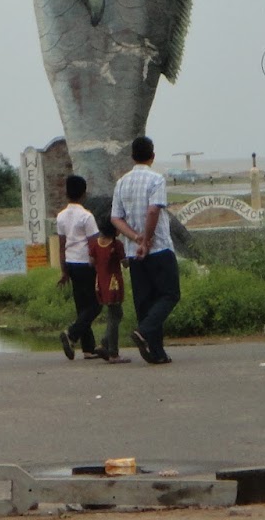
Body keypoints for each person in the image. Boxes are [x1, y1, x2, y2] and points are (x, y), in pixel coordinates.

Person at [111, 135, 179, 365]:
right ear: (152, 156)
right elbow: (153, 211)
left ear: (132, 157)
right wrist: (147, 241)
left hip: (133, 252)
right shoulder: (156, 179)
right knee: (169, 294)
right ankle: (144, 332)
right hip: (158, 247)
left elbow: (116, 218)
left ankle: (156, 352)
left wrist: (135, 238)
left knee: (145, 301)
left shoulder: (122, 182)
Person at [54, 174, 101, 360]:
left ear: (66, 193)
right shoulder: (86, 216)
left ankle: (88, 349)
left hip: (71, 263)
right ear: (84, 194)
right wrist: (99, 266)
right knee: (97, 304)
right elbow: (94, 244)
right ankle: (72, 334)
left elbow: (61, 244)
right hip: (86, 263)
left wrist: (63, 270)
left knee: (82, 305)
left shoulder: (61, 216)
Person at [88, 216, 130, 363]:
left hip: (100, 283)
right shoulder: (116, 245)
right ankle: (113, 352)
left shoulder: (95, 244)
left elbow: (91, 262)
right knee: (115, 315)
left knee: (115, 314)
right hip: (114, 283)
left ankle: (104, 343)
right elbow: (124, 263)